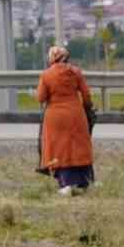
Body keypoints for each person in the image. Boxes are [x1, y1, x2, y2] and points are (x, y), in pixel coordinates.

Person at [37, 46, 97, 196]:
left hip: (55, 117)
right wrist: (87, 109)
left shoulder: (46, 75)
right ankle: (84, 181)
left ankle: (65, 183)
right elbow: (87, 96)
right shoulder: (76, 72)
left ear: (51, 58)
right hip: (76, 114)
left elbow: (40, 98)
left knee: (58, 147)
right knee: (79, 146)